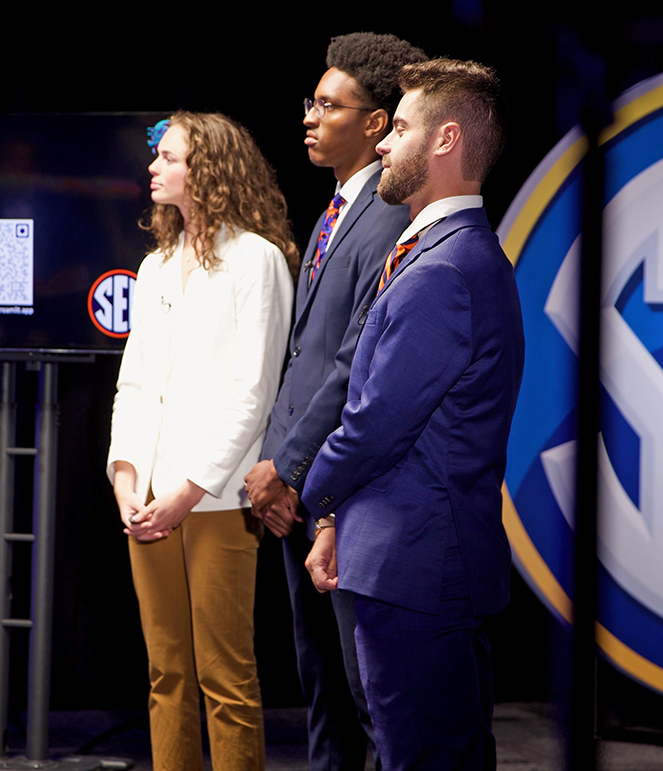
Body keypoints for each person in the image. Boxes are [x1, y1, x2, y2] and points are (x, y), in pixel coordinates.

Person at [301, 59, 524, 771]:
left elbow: (372, 425)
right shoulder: (444, 256)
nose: (384, 145)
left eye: (398, 128)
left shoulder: (444, 272)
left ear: (445, 140)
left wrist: (314, 493)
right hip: (412, 562)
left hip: (418, 569)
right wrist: (338, 518)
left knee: (422, 757)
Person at [244, 32, 426, 771]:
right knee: (322, 689)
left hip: (339, 494)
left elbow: (355, 361)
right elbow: (300, 360)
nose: (310, 118)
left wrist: (290, 469)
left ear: (376, 123)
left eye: (329, 105)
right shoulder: (332, 213)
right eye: (310, 103)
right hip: (296, 487)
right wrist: (272, 465)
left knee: (364, 692)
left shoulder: (386, 213)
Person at [108, 111, 297, 771]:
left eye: (169, 157)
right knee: (165, 674)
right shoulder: (155, 265)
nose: (154, 167)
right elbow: (134, 385)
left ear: (207, 168)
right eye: (157, 156)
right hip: (151, 500)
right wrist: (128, 482)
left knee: (226, 676)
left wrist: (186, 494)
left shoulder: (258, 261)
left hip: (213, 500)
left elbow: (254, 395)